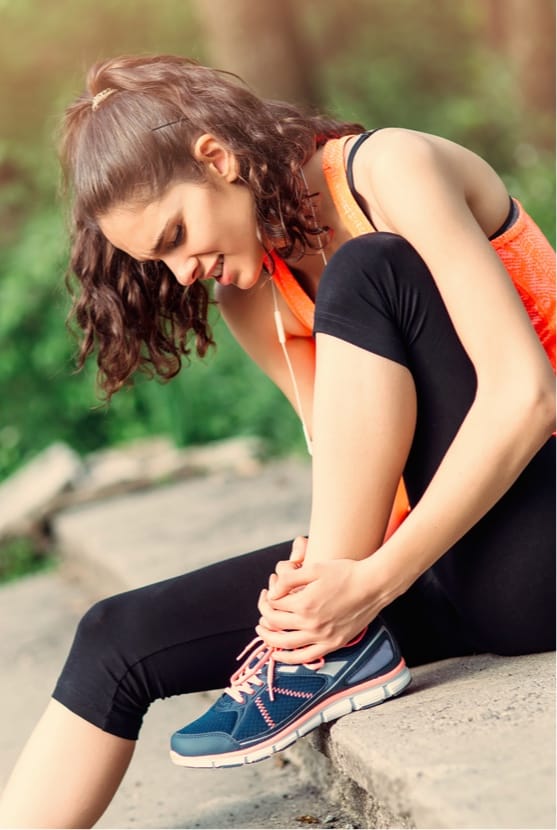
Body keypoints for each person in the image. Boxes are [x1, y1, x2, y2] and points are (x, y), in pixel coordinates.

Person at [0, 53, 555, 828]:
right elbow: (352, 460)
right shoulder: (250, 296)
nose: (182, 273)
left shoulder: (389, 169)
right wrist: (314, 585)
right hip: (448, 570)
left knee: (371, 269)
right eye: (157, 259)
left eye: (175, 235)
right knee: (114, 638)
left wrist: (367, 583)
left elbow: (526, 397)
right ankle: (323, 648)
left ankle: (326, 653)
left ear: (217, 159)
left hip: (540, 533)